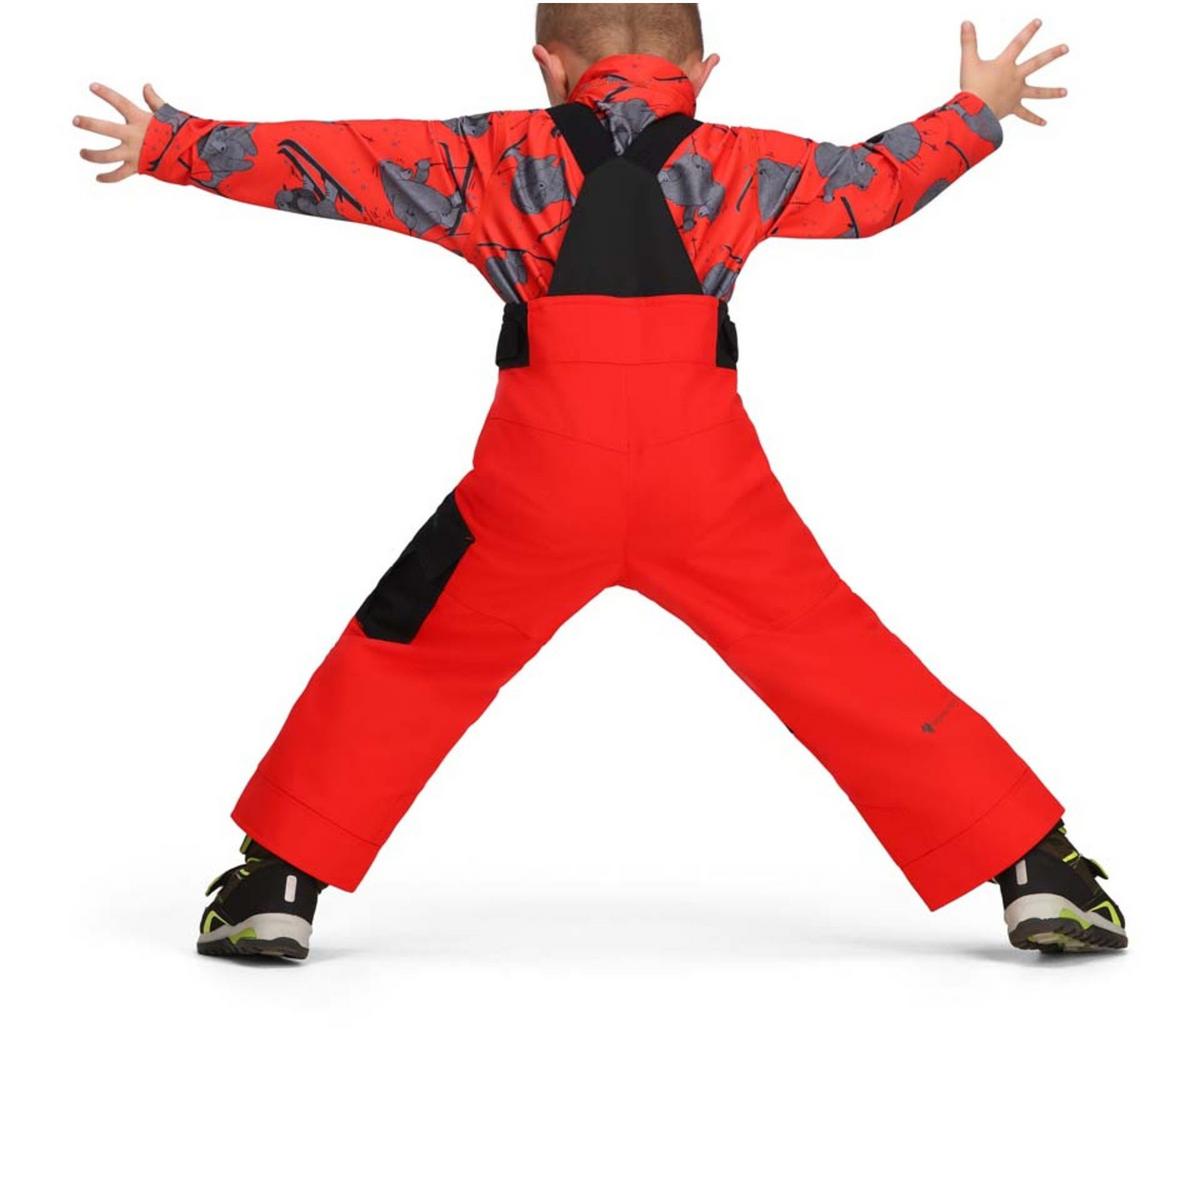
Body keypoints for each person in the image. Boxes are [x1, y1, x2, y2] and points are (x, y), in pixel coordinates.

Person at [75, 3, 1126, 959]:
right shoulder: (742, 162)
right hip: (707, 486)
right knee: (837, 656)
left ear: (547, 66)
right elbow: (876, 186)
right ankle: (1038, 872)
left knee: (407, 649)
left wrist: (172, 144)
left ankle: (276, 885)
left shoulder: (486, 156)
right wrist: (976, 111)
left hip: (539, 484)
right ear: (702, 73)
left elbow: (337, 163)